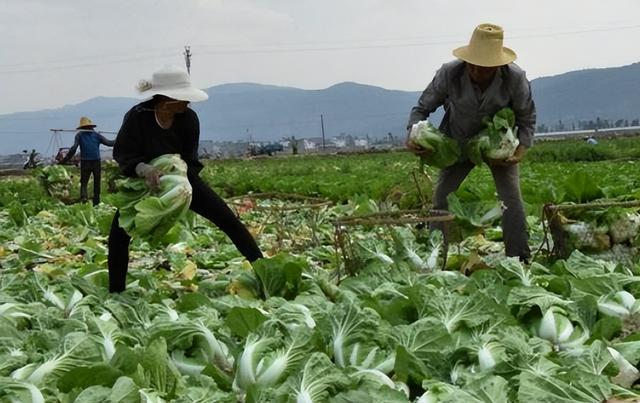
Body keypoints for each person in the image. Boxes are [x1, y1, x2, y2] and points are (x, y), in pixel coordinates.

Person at [108, 65, 263, 292]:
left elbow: (190, 159)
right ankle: (116, 291)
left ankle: (264, 271)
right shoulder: (137, 118)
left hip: (182, 179)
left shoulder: (188, 119)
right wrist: (145, 170)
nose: (187, 103)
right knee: (119, 235)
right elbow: (124, 154)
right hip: (144, 183)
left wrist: (178, 190)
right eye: (182, 98)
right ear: (166, 99)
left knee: (229, 221)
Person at [406, 23, 536, 262]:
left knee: (511, 200)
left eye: (484, 68)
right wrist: (412, 135)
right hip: (457, 143)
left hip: (496, 147)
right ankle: (436, 257)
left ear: (497, 65)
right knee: (442, 198)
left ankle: (519, 259)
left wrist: (521, 148)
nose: (476, 71)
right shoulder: (449, 73)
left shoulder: (515, 78)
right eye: (472, 65)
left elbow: (527, 118)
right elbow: (421, 109)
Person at [59, 117, 115, 205]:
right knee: (97, 182)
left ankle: (84, 199)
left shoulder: (80, 135)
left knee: (84, 182)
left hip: (85, 162)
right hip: (96, 162)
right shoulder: (96, 135)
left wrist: (65, 160)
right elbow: (110, 143)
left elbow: (74, 148)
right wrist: (120, 138)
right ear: (91, 127)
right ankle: (96, 202)